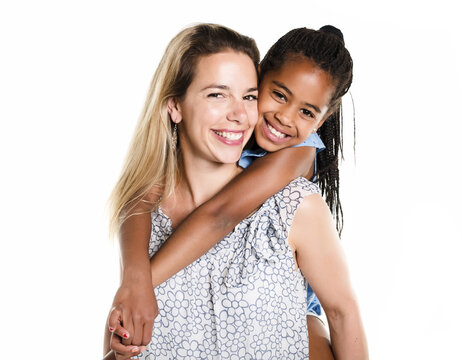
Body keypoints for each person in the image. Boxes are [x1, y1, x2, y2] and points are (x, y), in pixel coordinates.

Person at [104, 23, 367, 359]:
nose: (284, 118)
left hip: (300, 308)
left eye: (306, 111)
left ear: (321, 118)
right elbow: (141, 192)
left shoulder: (296, 158)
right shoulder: (163, 200)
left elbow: (221, 215)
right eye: (277, 95)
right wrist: (132, 281)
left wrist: (139, 284)